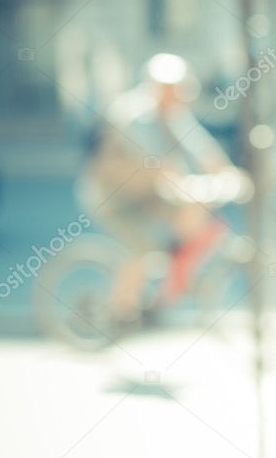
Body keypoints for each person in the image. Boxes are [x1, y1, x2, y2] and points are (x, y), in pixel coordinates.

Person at [75, 52, 250, 324]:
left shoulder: (172, 112)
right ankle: (120, 310)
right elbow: (157, 163)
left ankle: (164, 282)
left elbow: (202, 149)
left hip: (149, 192)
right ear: (159, 88)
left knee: (189, 218)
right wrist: (189, 185)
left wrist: (229, 173)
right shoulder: (135, 116)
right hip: (115, 198)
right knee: (143, 250)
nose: (180, 96)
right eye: (174, 90)